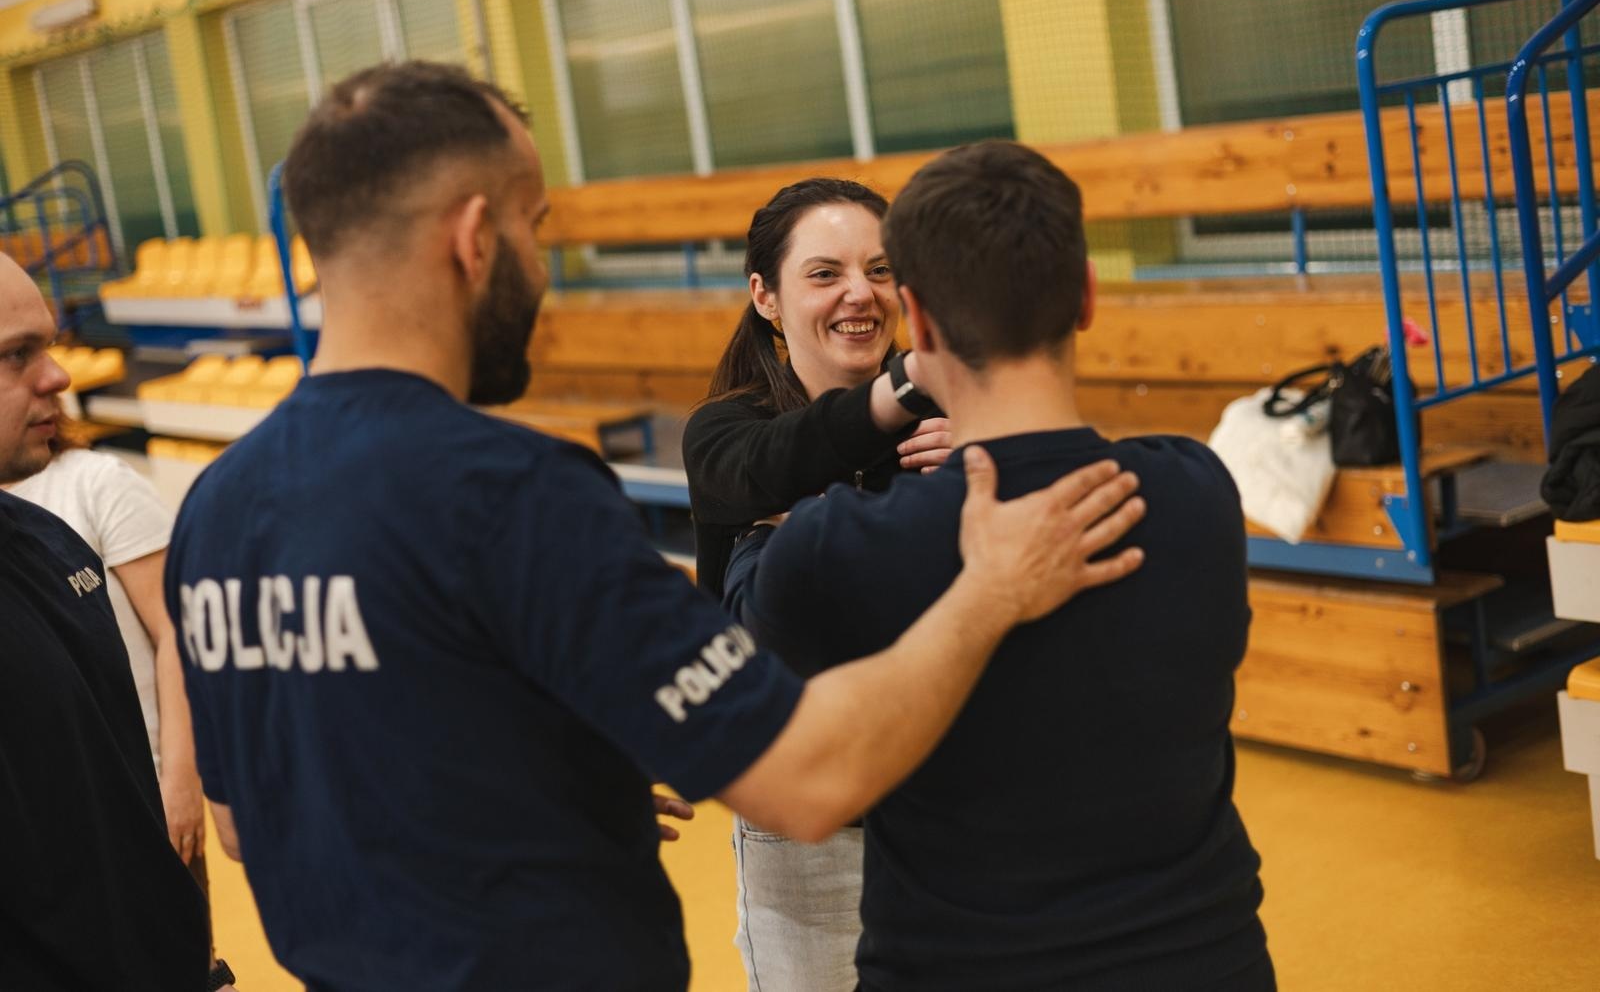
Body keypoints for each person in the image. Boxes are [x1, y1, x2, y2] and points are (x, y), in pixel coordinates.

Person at [164, 61, 1148, 991]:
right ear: (474, 237)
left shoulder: (215, 507)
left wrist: (557, 769)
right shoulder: (518, 491)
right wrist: (990, 591)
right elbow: (806, 779)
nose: (539, 264)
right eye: (533, 226)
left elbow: (257, 819)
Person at [730, 141, 1274, 991]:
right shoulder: (1198, 493)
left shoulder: (832, 549)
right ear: (1087, 297)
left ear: (922, 321)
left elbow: (766, 741)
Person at [683, 177, 951, 991]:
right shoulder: (729, 431)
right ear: (764, 295)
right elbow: (774, 466)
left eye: (877, 269)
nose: (859, 294)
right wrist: (899, 397)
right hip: (811, 827)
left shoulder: (951, 408)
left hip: (952, 802)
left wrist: (978, 455)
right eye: (825, 272)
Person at [0, 252, 210, 989]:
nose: (58, 376)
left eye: (47, 347)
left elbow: (172, 637)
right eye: (15, 354)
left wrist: (179, 776)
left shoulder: (51, 533)